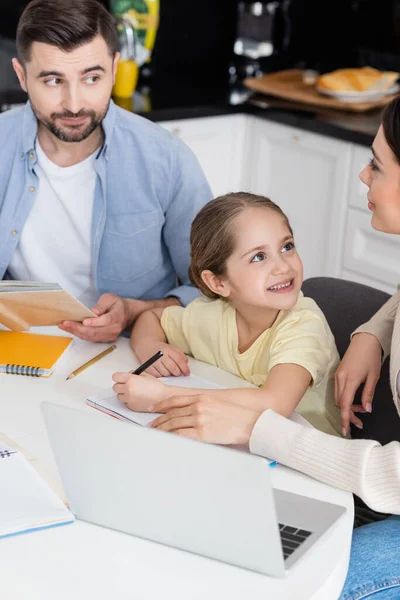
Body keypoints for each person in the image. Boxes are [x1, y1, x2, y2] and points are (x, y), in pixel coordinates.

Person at [140, 99, 400, 599]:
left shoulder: (297, 324)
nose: (362, 177)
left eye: (377, 165)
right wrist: (374, 330)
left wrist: (259, 428)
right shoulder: (210, 316)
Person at [0, 0, 211, 342]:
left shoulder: (166, 159)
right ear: (22, 76)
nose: (74, 103)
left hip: (129, 354)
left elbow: (211, 289)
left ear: (115, 68)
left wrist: (135, 312)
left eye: (91, 78)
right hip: (16, 346)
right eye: (53, 80)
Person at [113, 192, 342, 435]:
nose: (283, 267)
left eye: (287, 246)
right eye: (259, 257)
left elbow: (273, 404)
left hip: (304, 457)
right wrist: (151, 346)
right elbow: (153, 317)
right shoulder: (212, 316)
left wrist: (162, 396)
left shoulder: (304, 325)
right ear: (217, 283)